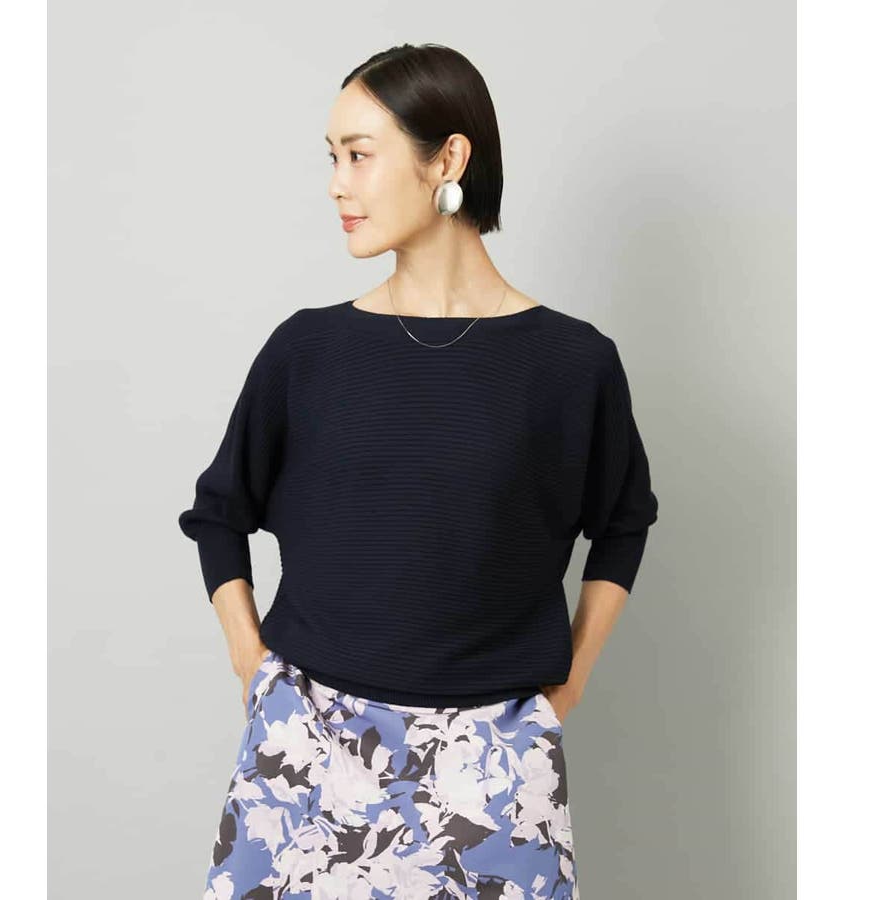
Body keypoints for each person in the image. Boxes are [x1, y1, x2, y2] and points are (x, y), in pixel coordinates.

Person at [179, 43, 658, 900]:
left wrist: (570, 684)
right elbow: (219, 511)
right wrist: (255, 670)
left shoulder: (572, 363)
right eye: (332, 158)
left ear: (447, 159)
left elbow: (623, 521)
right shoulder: (307, 350)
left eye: (359, 155)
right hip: (309, 752)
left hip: (495, 765)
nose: (338, 184)